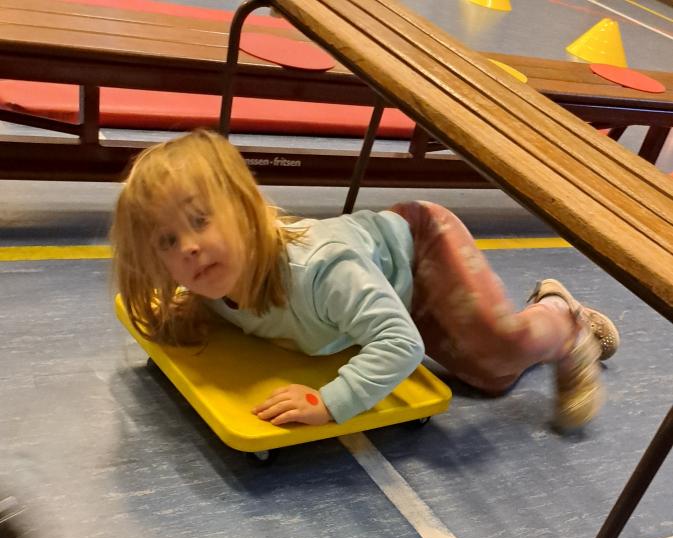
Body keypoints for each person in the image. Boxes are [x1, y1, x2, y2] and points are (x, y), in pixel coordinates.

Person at [111, 129, 619, 433]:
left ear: (245, 210)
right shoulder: (210, 282)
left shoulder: (318, 271)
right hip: (379, 280)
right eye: (167, 241)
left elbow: (401, 344)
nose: (188, 247)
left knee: (498, 353)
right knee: (486, 379)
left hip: (424, 250)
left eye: (200, 221)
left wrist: (332, 402)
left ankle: (562, 319)